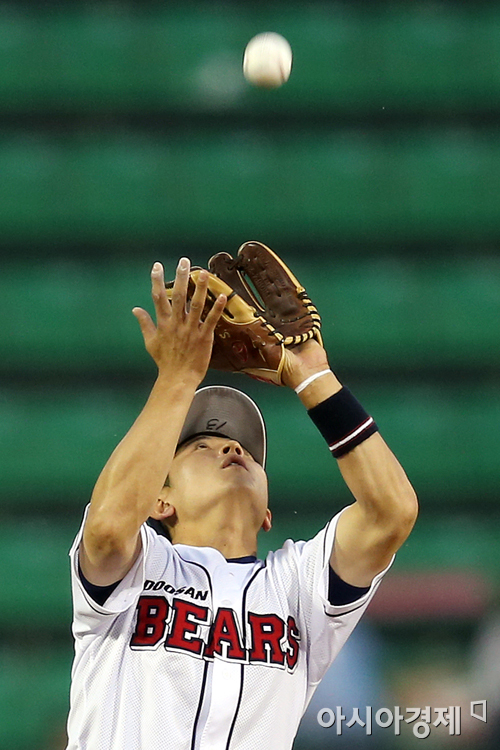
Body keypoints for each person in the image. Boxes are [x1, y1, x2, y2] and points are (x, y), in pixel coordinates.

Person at [66, 257, 418, 750]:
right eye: (202, 446)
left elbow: (392, 512)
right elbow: (105, 531)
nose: (232, 449)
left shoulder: (299, 588)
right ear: (160, 501)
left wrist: (314, 377)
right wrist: (177, 378)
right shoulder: (137, 566)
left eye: (248, 452)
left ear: (267, 513)